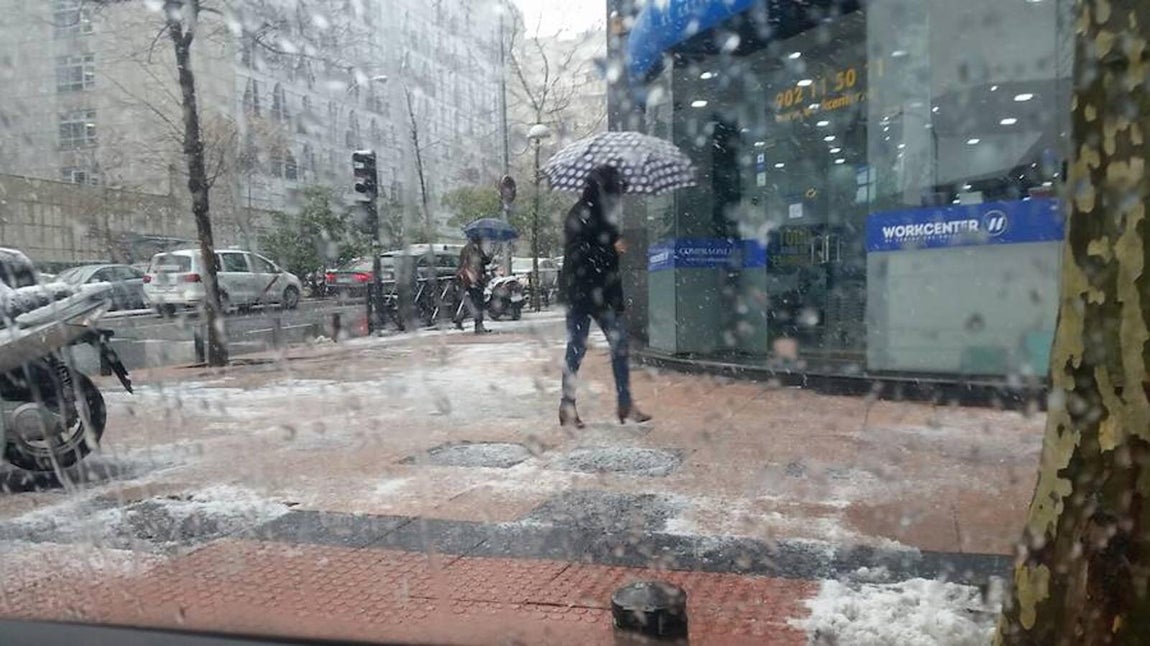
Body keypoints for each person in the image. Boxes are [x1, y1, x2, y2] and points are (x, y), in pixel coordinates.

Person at [557, 165, 651, 428]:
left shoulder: (604, 216)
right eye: (616, 192)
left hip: (603, 294)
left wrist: (613, 245)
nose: (618, 199)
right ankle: (567, 405)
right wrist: (612, 249)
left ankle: (625, 402)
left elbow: (604, 252)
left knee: (619, 345)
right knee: (576, 348)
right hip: (581, 294)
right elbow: (579, 256)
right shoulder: (579, 214)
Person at [453, 236, 492, 334]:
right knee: (478, 302)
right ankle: (478, 325)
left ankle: (460, 318)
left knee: (471, 301)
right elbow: (481, 261)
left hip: (466, 279)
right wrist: (489, 256)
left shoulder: (466, 249)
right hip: (473, 279)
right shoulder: (474, 250)